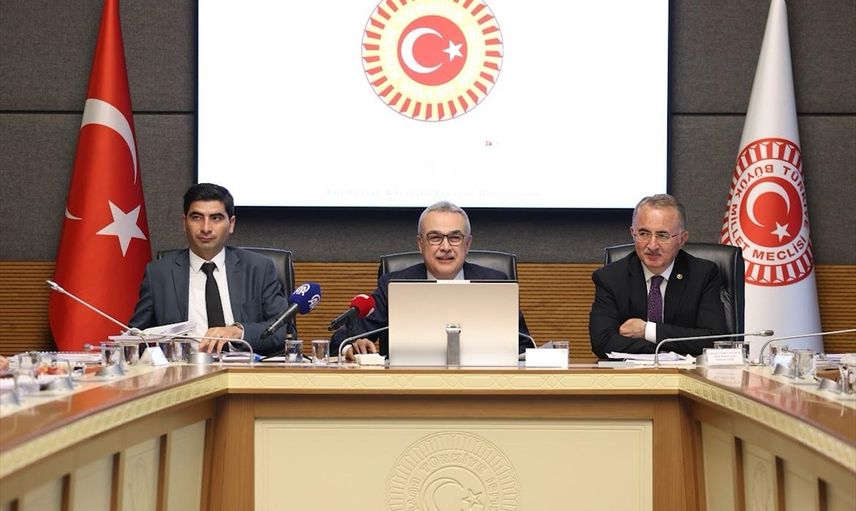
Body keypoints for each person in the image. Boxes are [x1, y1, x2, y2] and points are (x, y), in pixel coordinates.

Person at [331, 200, 531, 360]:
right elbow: (341, 340)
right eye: (435, 237)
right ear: (420, 244)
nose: (445, 247)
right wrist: (351, 347)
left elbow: (524, 346)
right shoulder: (394, 285)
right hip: (409, 388)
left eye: (455, 238)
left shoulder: (495, 284)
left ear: (467, 244)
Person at [129, 183, 289, 355]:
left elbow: (282, 330)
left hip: (243, 368)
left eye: (216, 218)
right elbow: (135, 337)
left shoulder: (259, 269)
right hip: (183, 368)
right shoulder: (159, 274)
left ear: (231, 224)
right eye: (196, 217)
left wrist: (238, 331)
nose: (206, 228)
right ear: (184, 223)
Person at [589, 194, 727, 358]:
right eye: (644, 233)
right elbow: (602, 342)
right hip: (630, 373)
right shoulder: (610, 278)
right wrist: (664, 352)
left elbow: (713, 340)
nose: (652, 245)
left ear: (682, 239)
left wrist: (648, 330)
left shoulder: (702, 275)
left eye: (662, 235)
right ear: (633, 233)